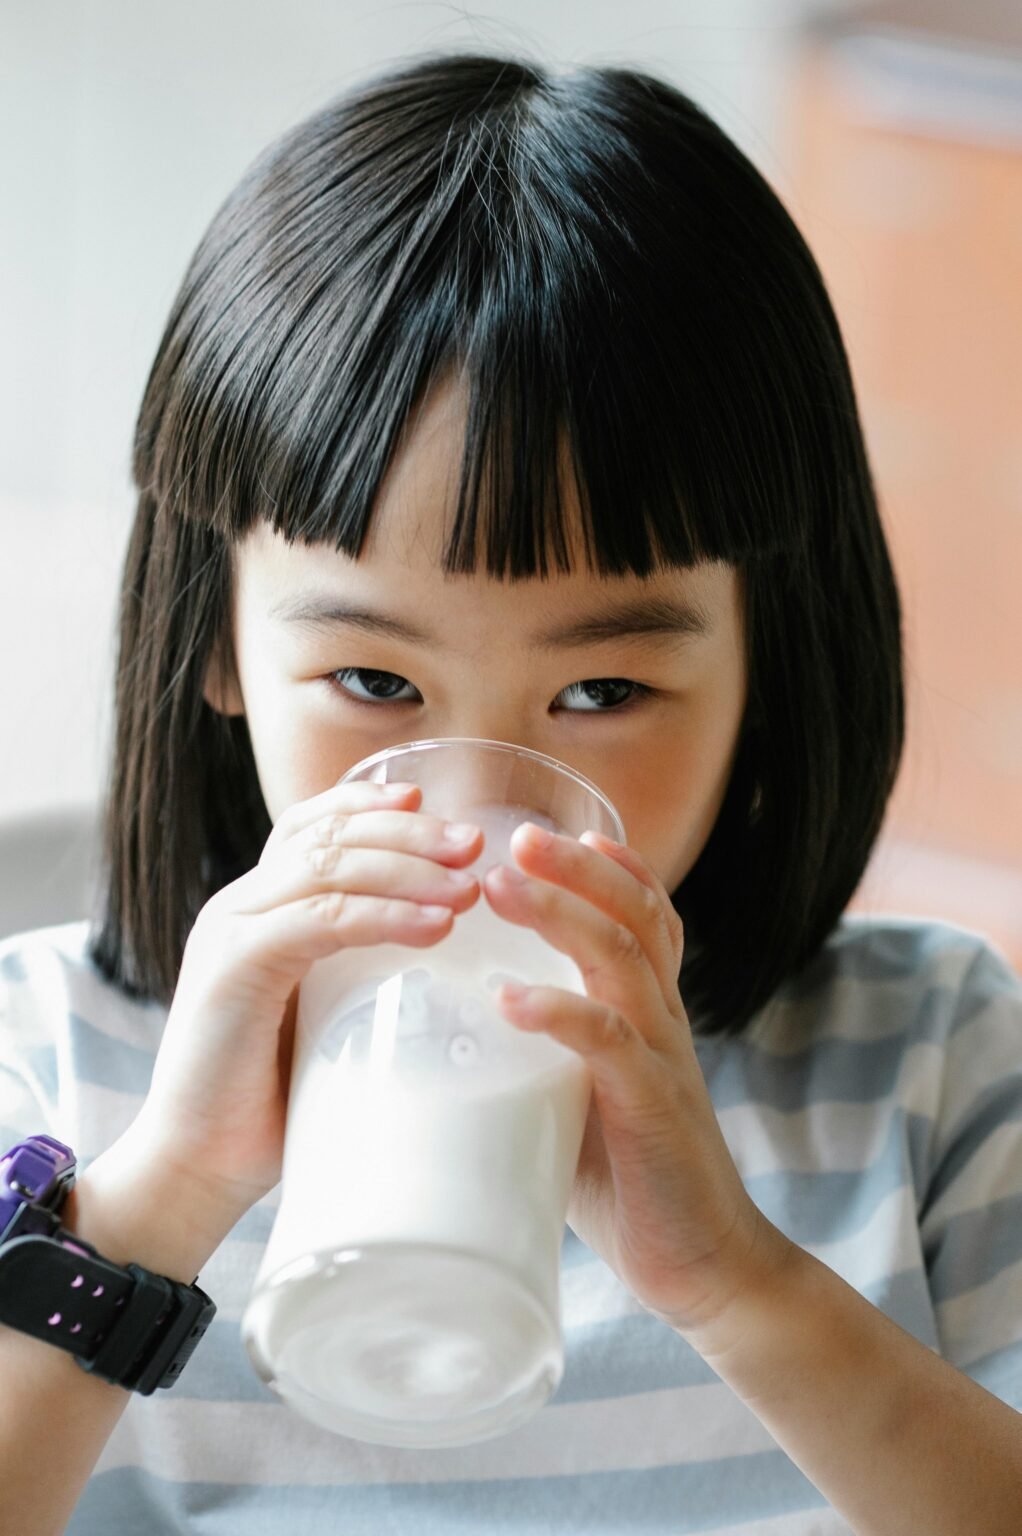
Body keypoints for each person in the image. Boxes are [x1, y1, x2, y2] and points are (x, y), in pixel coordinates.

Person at [1, 50, 1020, 1536]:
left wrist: (734, 1280)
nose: (483, 817)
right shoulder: (50, 1060)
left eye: (601, 694)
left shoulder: (925, 1059)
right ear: (217, 642)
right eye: (375, 685)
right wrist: (156, 1203)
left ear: (767, 671)